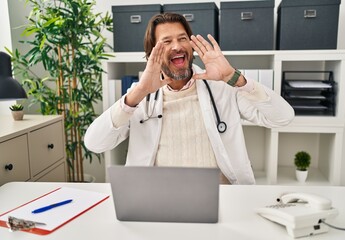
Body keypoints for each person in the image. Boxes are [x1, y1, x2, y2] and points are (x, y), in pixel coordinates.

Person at [84, 13, 294, 184]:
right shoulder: (139, 97)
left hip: (222, 195)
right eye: (166, 41)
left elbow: (283, 117)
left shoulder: (221, 87)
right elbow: (94, 143)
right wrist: (138, 93)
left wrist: (234, 78)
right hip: (156, 198)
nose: (177, 46)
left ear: (191, 47)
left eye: (182, 38)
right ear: (152, 54)